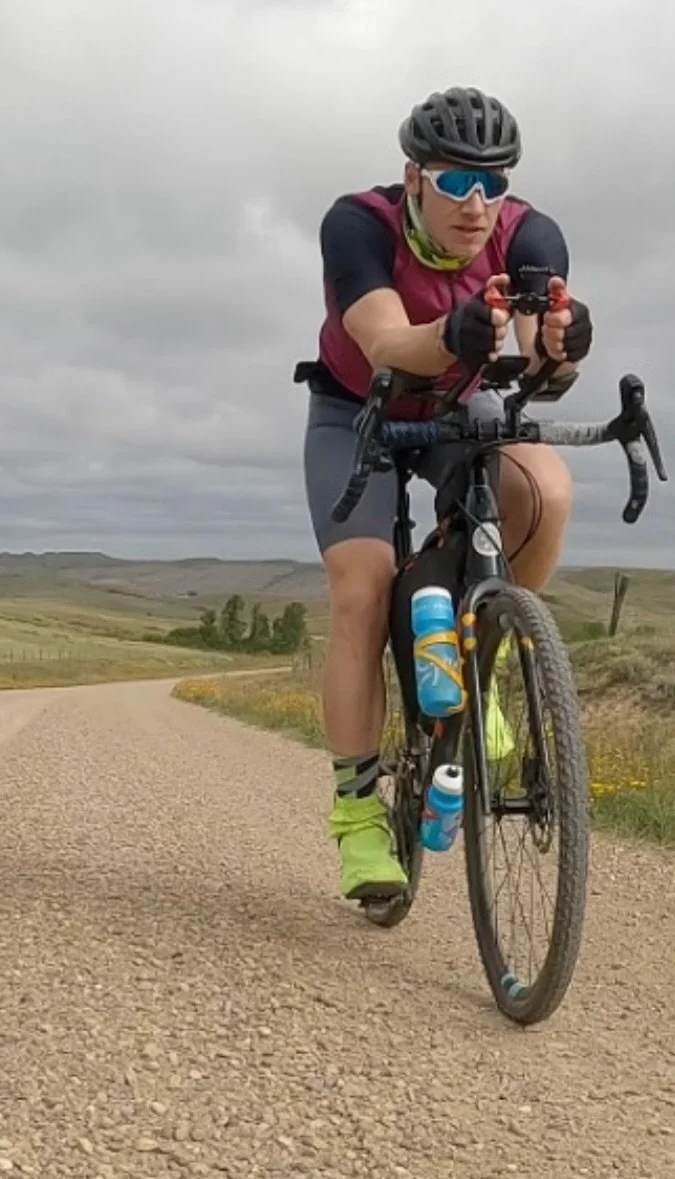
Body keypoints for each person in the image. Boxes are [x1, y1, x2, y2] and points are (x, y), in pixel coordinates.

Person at [297, 87, 594, 902]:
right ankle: (357, 818)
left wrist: (562, 350)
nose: (474, 203)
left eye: (491, 183)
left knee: (547, 491)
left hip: (460, 408)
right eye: (454, 180)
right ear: (413, 177)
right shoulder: (356, 224)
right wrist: (451, 334)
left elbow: (541, 365)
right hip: (355, 412)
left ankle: (482, 657)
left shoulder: (528, 234)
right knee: (360, 587)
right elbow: (386, 340)